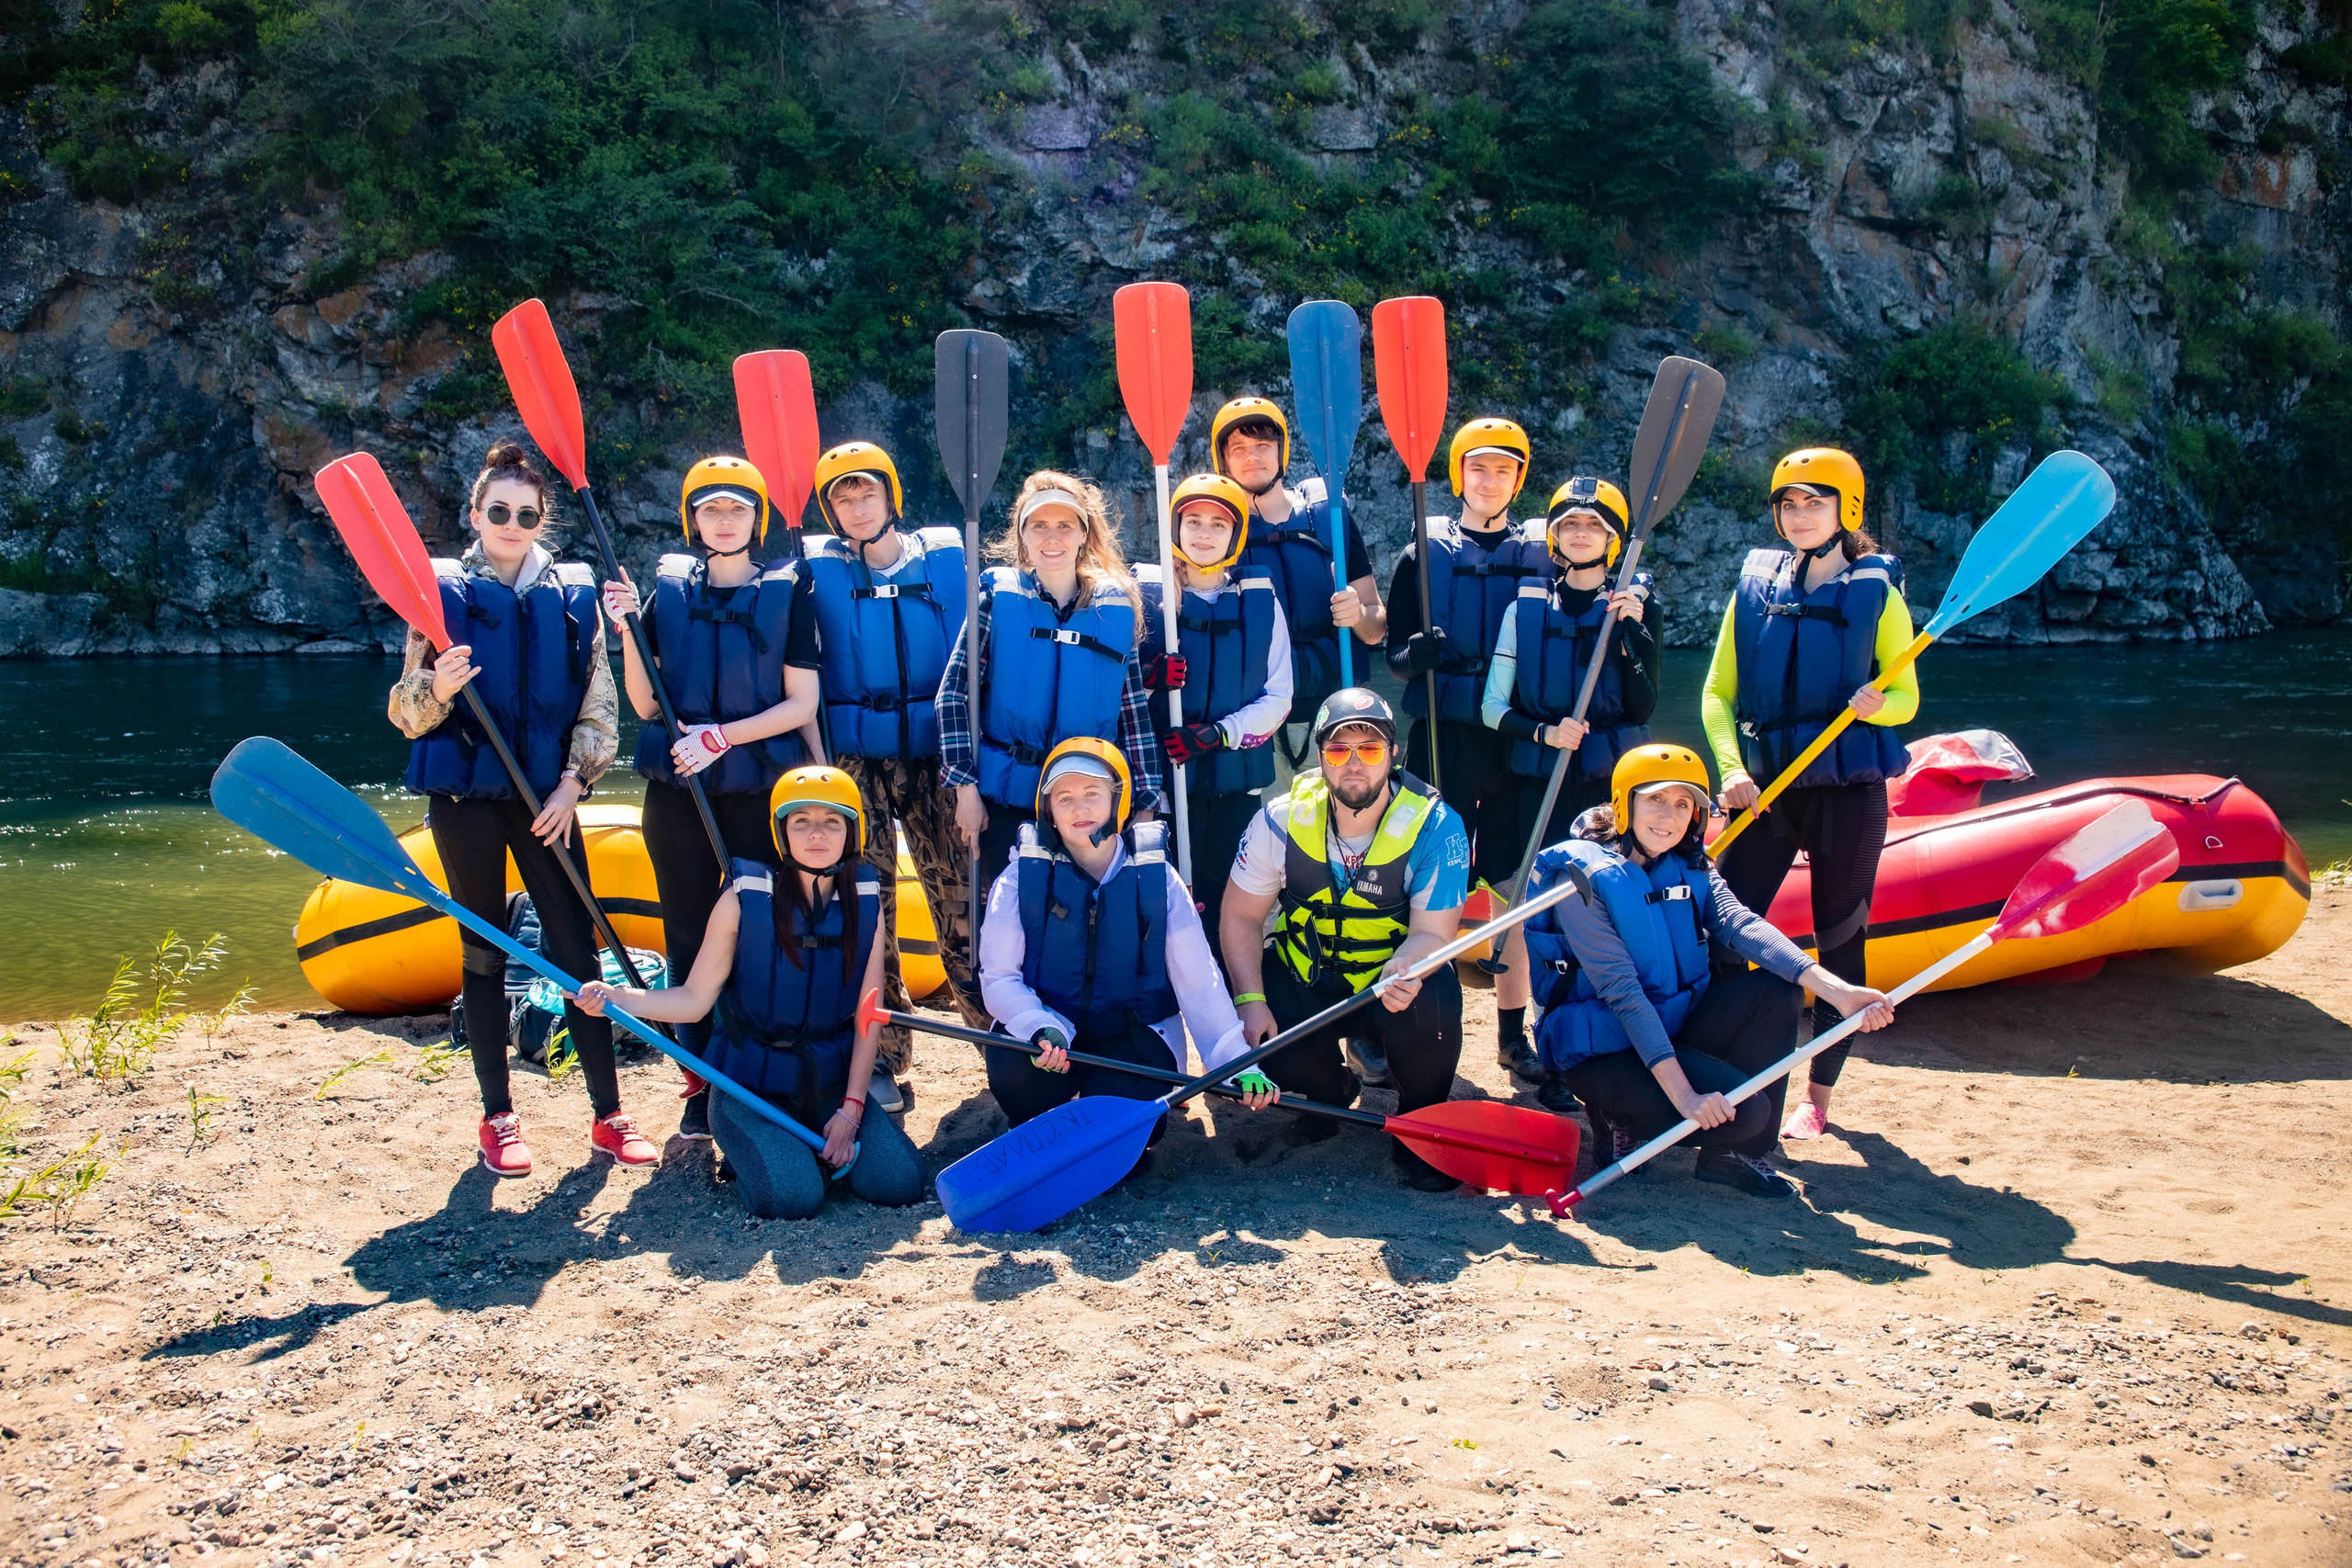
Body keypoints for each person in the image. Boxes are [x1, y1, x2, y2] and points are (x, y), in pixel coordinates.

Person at [387, 440, 656, 1177]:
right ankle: (498, 1118)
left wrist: (575, 784)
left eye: (526, 512)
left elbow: (600, 708)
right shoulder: (437, 596)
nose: (511, 521)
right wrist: (436, 686)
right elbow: (404, 714)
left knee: (575, 949)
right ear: (475, 515)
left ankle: (609, 1115)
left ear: (543, 520)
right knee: (483, 951)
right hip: (466, 800)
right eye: (497, 510)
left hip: (547, 800)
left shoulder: (571, 596)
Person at [1519, 746, 1895, 1199]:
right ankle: (1615, 1117)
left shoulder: (1692, 864)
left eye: (1683, 804)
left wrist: (1838, 990)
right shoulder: (1576, 883)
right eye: (1656, 799)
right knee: (1746, 1115)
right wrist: (1687, 1098)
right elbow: (1622, 993)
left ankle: (1730, 1157)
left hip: (1674, 1023)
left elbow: (1740, 924)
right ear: (1624, 802)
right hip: (1603, 1047)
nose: (1669, 816)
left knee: (1778, 991)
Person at [575, 767, 924, 1219]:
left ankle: (800, 1148)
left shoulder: (865, 900)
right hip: (750, 1088)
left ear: (850, 831)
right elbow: (694, 1000)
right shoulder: (745, 897)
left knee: (901, 1182)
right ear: (782, 832)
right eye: (801, 821)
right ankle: (775, 1154)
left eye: (831, 821)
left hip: (830, 1084)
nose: (816, 833)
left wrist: (852, 1109)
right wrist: (618, 998)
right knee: (793, 1198)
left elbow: (867, 1015)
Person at [600, 457, 823, 1142]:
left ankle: (758, 1063)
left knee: (762, 925)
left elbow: (801, 702)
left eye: (737, 509)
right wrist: (629, 634)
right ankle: (699, 1078)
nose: (724, 521)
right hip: (679, 788)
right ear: (693, 519)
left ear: (756, 519)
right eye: (711, 510)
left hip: (755, 784)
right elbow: (645, 701)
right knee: (688, 930)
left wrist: (721, 737)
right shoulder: (667, 591)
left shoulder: (789, 590)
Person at [1701, 449, 1918, 1143]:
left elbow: (1908, 698)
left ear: (1845, 509)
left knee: (1841, 939)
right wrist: (1732, 769)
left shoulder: (1879, 593)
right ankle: (1718, 1064)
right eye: (1789, 506)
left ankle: (1817, 1097)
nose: (1800, 517)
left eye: (1814, 504)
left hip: (1848, 792)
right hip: (1768, 791)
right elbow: (1717, 694)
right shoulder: (1755, 586)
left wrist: (1875, 703)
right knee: (1725, 931)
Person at [978, 739, 1272, 1174]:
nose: (1080, 808)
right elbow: (999, 977)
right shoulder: (1021, 875)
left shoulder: (1158, 878)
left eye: (1093, 794)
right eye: (1065, 798)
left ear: (1118, 802)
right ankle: (1036, 1121)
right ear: (1049, 811)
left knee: (1136, 1121)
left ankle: (1107, 1138)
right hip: (1051, 1027)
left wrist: (1237, 1064)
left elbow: (1200, 983)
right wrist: (1038, 1025)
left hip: (1133, 1032)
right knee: (1016, 1071)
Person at [1218, 689, 1473, 1191]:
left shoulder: (1437, 826)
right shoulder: (1280, 817)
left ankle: (1418, 1126)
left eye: (1370, 749)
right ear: (1320, 757)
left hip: (1385, 983)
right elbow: (1240, 915)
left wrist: (1407, 967)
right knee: (1257, 1024)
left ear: (1393, 754)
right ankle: (1331, 1093)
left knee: (1436, 995)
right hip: (1306, 976)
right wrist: (1249, 1000)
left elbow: (1432, 934)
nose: (1353, 763)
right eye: (1338, 750)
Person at [801, 440, 985, 1099]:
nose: (855, 507)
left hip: (938, 754)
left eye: (866, 493)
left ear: (890, 497)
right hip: (855, 760)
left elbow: (981, 658)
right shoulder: (811, 570)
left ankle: (993, 1032)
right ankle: (881, 1055)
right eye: (842, 498)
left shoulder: (944, 557)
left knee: (963, 902)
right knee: (865, 908)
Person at [1481, 477, 1659, 1111]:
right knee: (1523, 918)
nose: (1580, 534)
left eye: (1594, 526)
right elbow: (1491, 707)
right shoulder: (1522, 608)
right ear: (1554, 536)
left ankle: (1565, 1045)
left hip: (1599, 789)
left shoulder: (1635, 609)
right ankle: (1511, 1042)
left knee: (1587, 923)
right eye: (1570, 524)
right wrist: (1544, 729)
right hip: (1531, 783)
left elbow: (1642, 701)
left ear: (1613, 540)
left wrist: (1634, 633)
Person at [936, 470, 1167, 902]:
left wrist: (1146, 802)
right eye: (1039, 526)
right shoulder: (994, 599)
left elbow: (1134, 714)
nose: (1052, 538)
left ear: (1084, 534)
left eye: (1065, 526)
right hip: (1007, 797)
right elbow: (953, 696)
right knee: (1014, 923)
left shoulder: (1117, 610)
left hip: (1088, 802)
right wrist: (964, 792)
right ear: (1022, 536)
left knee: (1081, 925)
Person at [1136, 471, 1294, 959]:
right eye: (1194, 522)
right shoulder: (1144, 595)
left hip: (1231, 785)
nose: (1204, 534)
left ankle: (1231, 997)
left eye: (1218, 525)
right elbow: (1114, 694)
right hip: (1164, 785)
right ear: (1175, 529)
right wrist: (1147, 677)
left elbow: (1279, 696)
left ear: (1235, 535)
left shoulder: (1260, 600)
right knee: (1166, 903)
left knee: (1227, 898)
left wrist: (1217, 735)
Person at [1212, 398, 1386, 762]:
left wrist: (1358, 616)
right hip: (1255, 720)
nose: (1252, 456)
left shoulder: (1331, 519)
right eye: (1239, 448)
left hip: (1336, 713)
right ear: (1224, 461)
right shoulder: (1215, 532)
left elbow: (1377, 629)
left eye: (1262, 445)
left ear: (1281, 451)